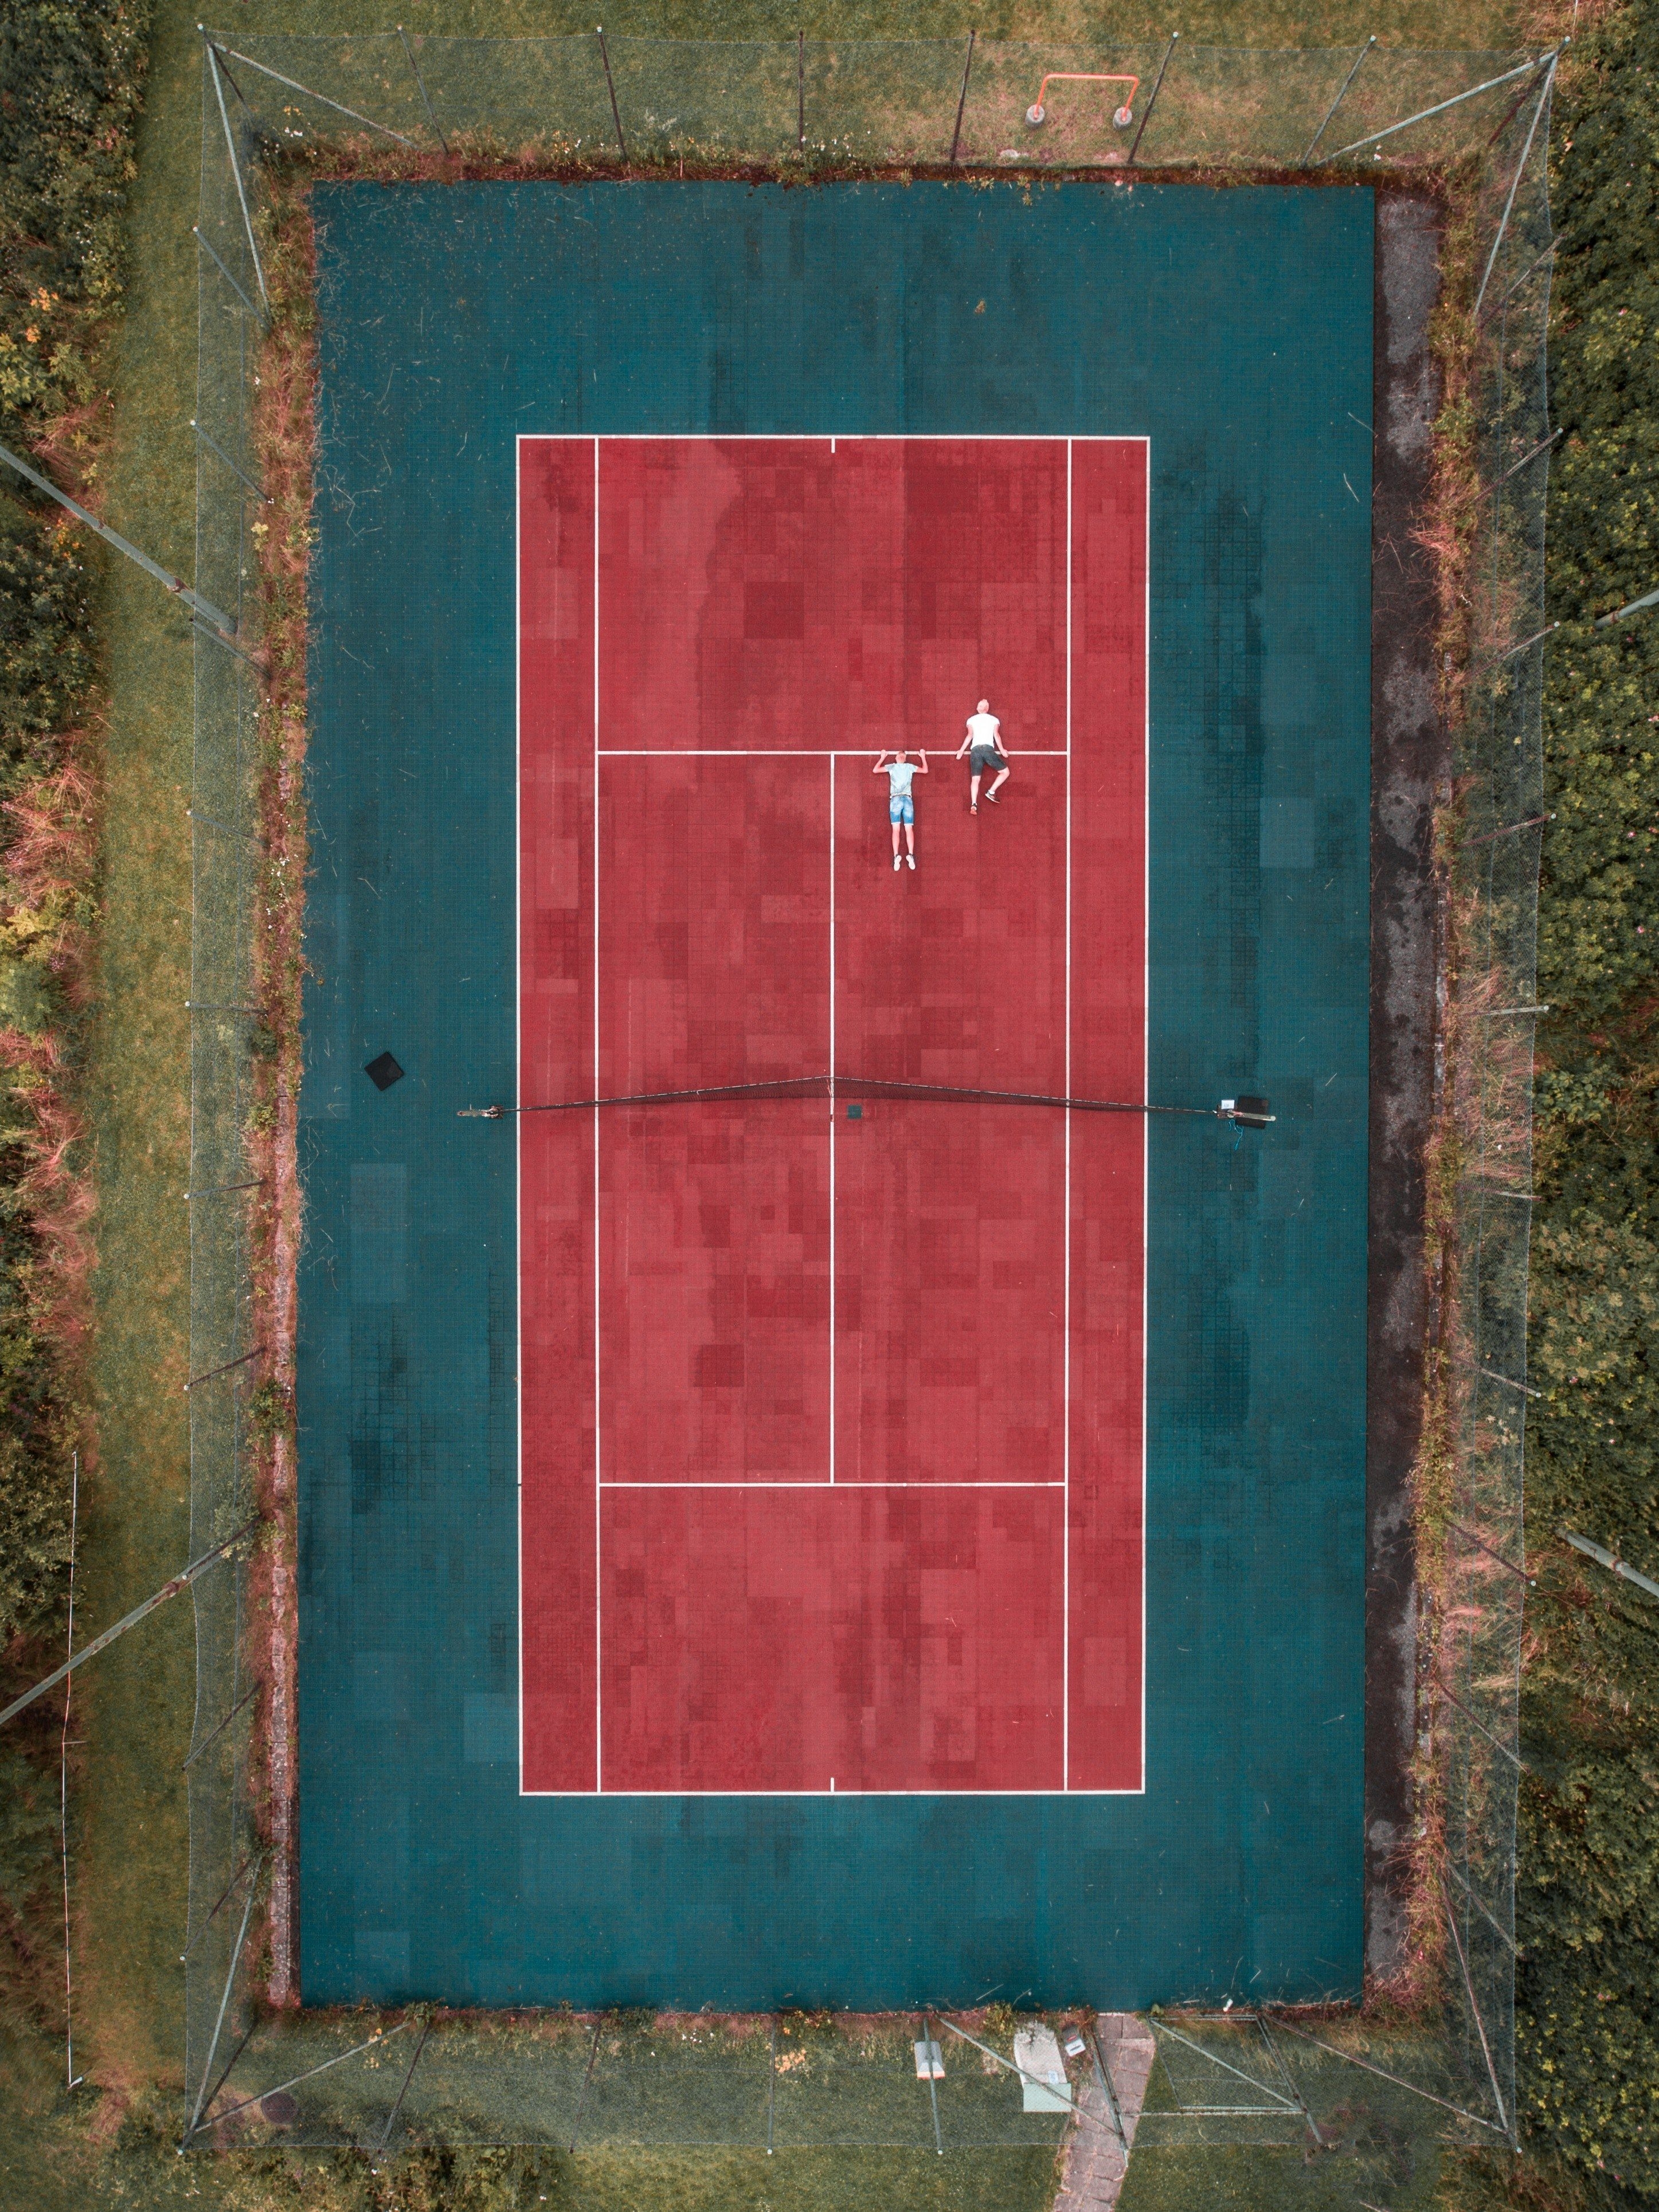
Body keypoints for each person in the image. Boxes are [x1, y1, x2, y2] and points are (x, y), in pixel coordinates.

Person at [874, 746, 928, 869]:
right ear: (902, 758)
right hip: (908, 800)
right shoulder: (909, 767)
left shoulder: (892, 767)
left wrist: (882, 758)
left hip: (895, 801)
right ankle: (910, 855)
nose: (901, 756)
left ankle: (896, 856)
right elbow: (925, 770)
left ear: (897, 758)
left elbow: (875, 770)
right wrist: (923, 757)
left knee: (896, 829)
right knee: (909, 829)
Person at [956, 699, 1011, 812]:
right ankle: (991, 792)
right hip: (988, 750)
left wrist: (961, 751)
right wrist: (1002, 750)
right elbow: (997, 735)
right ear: (988, 708)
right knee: (1005, 772)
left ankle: (974, 804)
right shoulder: (994, 720)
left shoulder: (971, 720)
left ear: (979, 708)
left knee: (975, 779)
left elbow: (970, 736)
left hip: (975, 751)